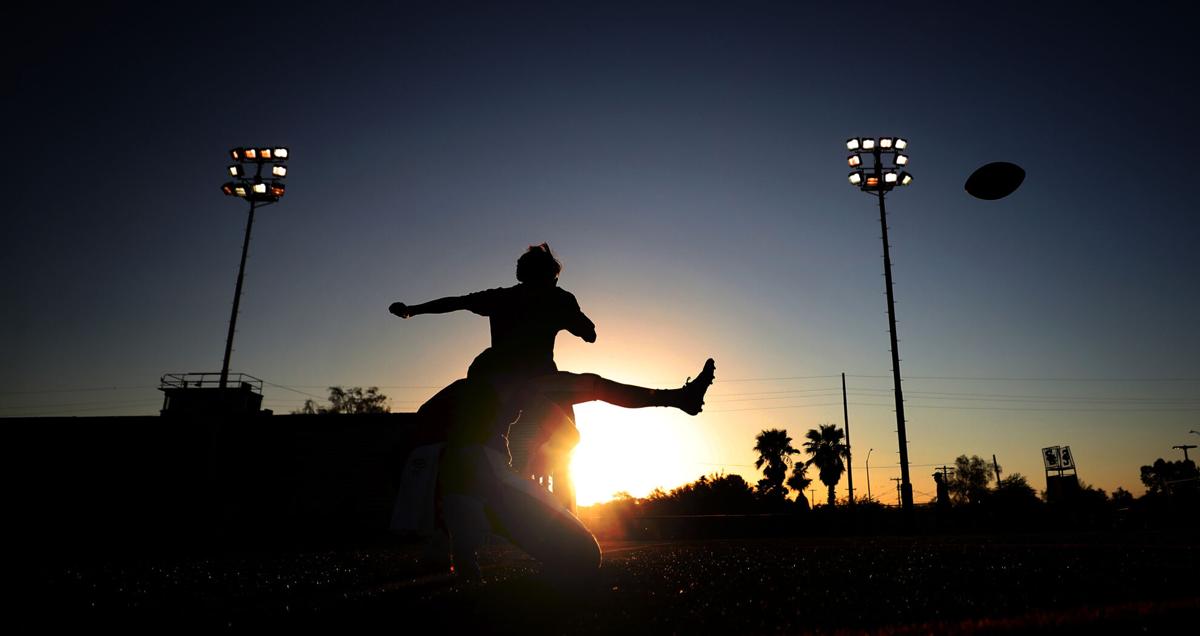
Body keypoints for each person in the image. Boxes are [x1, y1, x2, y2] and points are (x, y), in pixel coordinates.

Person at [390, 243, 715, 577]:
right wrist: (577, 323)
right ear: (552, 277)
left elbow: (454, 303)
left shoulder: (502, 297)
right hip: (531, 385)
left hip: (494, 386)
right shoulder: (556, 298)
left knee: (496, 447)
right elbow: (588, 332)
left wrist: (414, 309)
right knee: (584, 404)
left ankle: (463, 537)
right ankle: (678, 399)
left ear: (521, 272)